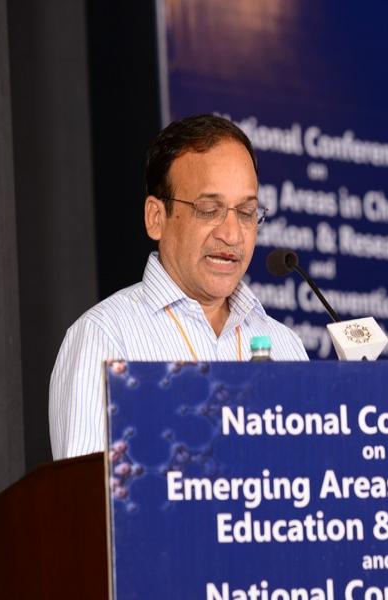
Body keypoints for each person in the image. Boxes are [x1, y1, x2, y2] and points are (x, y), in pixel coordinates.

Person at [49, 114, 309, 459]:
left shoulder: (286, 346)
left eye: (247, 212)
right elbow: (87, 493)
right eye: (209, 209)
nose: (232, 234)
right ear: (156, 218)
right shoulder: (105, 338)